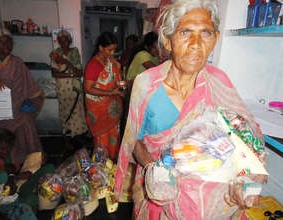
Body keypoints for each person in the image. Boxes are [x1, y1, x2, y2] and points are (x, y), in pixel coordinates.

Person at [114, 0, 268, 219]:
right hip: (160, 197)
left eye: (205, 33)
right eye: (185, 32)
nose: (196, 44)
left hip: (210, 203)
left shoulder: (218, 82)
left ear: (214, 39)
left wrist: (243, 180)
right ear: (168, 41)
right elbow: (135, 141)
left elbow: (243, 140)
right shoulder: (146, 85)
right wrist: (154, 169)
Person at [0, 28, 44, 169]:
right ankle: (9, 170)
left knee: (27, 131)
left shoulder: (17, 63)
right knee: (2, 142)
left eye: (9, 42)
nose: (7, 46)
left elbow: (27, 86)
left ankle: (32, 167)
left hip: (19, 108)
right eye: (2, 43)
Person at [0, 128, 54, 220]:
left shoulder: (8, 155)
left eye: (7, 147)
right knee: (27, 203)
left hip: (17, 184)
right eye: (0, 149)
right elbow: (1, 175)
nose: (5, 151)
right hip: (2, 197)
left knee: (49, 168)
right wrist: (15, 177)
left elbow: (11, 167)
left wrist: (36, 162)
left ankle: (39, 195)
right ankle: (30, 198)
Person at [84, 32, 125, 162]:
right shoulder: (93, 65)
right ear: (101, 48)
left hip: (112, 109)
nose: (113, 53)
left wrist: (120, 89)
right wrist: (110, 93)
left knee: (114, 137)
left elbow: (114, 80)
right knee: (102, 141)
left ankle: (111, 163)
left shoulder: (110, 61)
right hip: (99, 110)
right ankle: (100, 167)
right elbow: (88, 88)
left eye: (114, 49)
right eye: (110, 49)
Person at [50, 30, 88, 139]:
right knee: (65, 113)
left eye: (65, 41)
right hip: (63, 90)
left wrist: (65, 62)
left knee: (78, 113)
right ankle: (67, 138)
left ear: (69, 41)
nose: (63, 44)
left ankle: (79, 139)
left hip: (75, 89)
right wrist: (71, 75)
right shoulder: (55, 54)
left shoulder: (75, 52)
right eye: (61, 42)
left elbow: (79, 72)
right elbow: (54, 73)